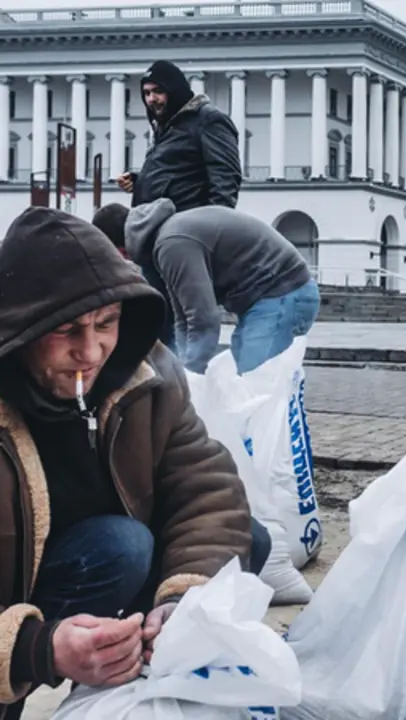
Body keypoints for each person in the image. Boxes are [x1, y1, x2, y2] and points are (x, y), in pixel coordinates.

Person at [0, 207, 270, 718]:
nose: (92, 351)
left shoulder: (146, 376)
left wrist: (180, 599)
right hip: (31, 593)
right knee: (120, 545)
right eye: (67, 331)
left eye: (106, 324)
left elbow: (203, 483)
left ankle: (134, 656)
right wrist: (36, 646)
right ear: (21, 329)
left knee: (246, 541)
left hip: (109, 565)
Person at [92, 199, 319, 376]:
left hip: (285, 294)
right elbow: (183, 318)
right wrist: (181, 367)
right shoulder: (165, 240)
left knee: (255, 385)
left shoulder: (172, 243)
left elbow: (205, 319)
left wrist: (190, 378)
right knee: (244, 382)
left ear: (119, 251)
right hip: (269, 299)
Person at [116, 60, 244, 353]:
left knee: (184, 322)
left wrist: (210, 234)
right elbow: (178, 175)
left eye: (158, 91)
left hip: (185, 240)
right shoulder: (167, 127)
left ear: (175, 89)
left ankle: (187, 386)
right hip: (157, 242)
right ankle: (169, 386)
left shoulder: (207, 120)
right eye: (146, 93)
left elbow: (226, 179)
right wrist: (140, 181)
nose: (151, 99)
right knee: (161, 321)